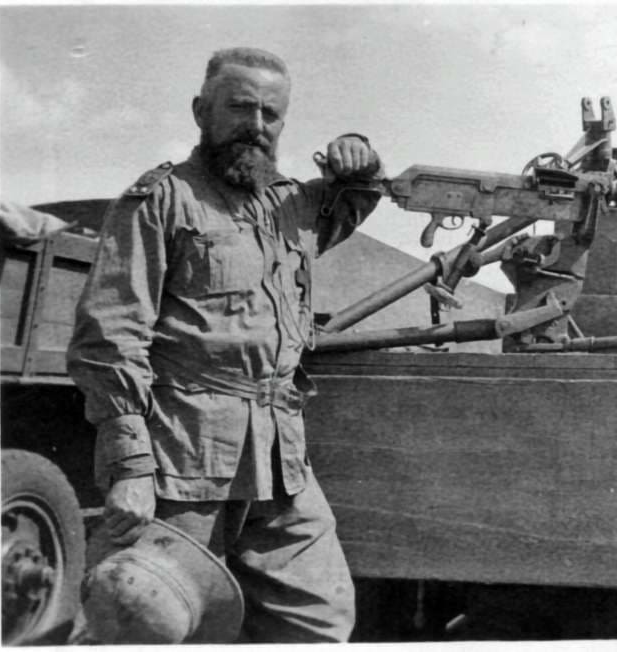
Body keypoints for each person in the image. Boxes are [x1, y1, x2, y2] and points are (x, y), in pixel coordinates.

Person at [66, 46, 384, 643]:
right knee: (144, 618)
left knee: (317, 620)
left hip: (279, 458)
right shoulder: (160, 199)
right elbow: (109, 338)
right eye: (240, 108)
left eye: (271, 114)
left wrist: (359, 156)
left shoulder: (289, 204)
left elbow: (353, 199)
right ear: (200, 111)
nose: (256, 126)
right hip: (183, 456)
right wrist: (130, 467)